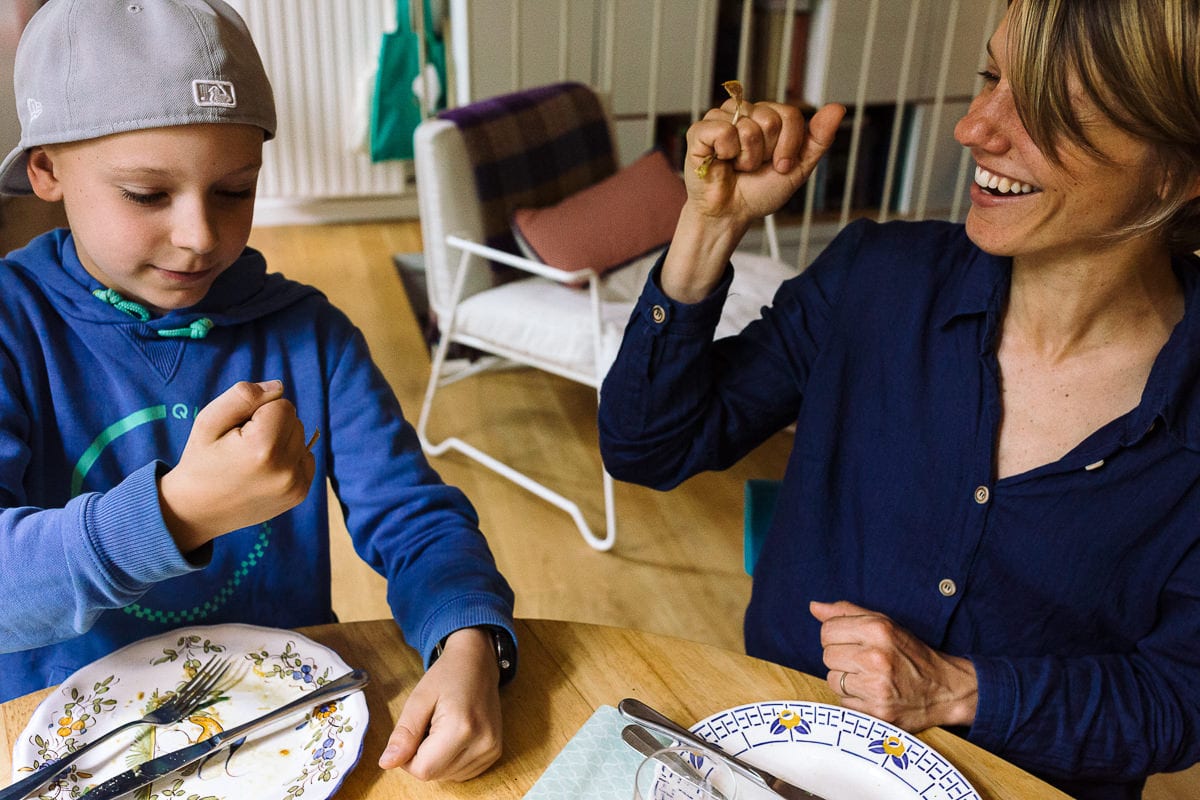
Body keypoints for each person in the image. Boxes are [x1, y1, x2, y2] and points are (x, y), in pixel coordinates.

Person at [597, 1, 1200, 798]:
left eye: (1049, 107)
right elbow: (648, 447)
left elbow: (1180, 697)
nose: (976, 128)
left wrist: (956, 688)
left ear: (1177, 168)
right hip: (779, 756)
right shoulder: (876, 278)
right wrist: (709, 227)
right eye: (991, 77)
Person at [0, 0, 516, 784]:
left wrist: (467, 639)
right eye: (146, 194)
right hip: (67, 743)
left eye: (235, 190)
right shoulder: (13, 326)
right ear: (46, 169)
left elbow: (415, 521)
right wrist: (175, 514)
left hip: (286, 733)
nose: (201, 234)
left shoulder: (310, 334)